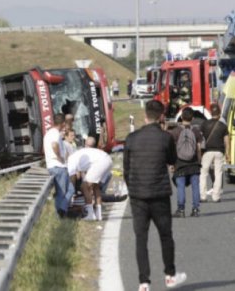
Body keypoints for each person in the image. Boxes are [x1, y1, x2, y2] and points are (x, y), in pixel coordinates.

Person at [124, 100, 187, 291]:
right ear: (161, 116)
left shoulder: (131, 138)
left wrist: (133, 189)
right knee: (166, 236)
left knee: (141, 239)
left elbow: (126, 169)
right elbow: (171, 159)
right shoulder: (165, 137)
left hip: (138, 197)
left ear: (145, 115)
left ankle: (144, 283)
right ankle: (170, 275)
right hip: (159, 194)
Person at [168, 107, 203, 217]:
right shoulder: (196, 131)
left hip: (180, 163)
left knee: (181, 187)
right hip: (193, 164)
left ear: (181, 117)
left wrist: (172, 164)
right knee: (195, 187)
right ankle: (196, 209)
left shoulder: (175, 132)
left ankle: (181, 210)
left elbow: (172, 149)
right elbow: (198, 148)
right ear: (192, 118)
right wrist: (199, 161)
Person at [67, 137, 112, 221]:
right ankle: (99, 214)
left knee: (84, 186)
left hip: (101, 162)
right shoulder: (78, 155)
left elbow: (72, 179)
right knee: (96, 186)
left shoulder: (70, 161)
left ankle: (90, 214)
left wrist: (71, 193)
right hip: (108, 159)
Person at [44, 113, 75, 218]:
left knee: (70, 189)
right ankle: (60, 215)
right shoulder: (55, 133)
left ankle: (62, 209)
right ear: (62, 123)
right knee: (62, 192)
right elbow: (54, 145)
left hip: (54, 166)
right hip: (58, 166)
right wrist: (59, 156)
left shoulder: (49, 133)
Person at [199, 103, 229, 202]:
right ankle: (216, 197)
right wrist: (227, 153)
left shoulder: (204, 124)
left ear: (211, 113)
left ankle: (203, 196)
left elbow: (200, 138)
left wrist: (199, 152)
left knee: (203, 173)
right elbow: (227, 141)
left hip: (208, 151)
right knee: (218, 173)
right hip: (219, 151)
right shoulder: (223, 126)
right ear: (219, 113)